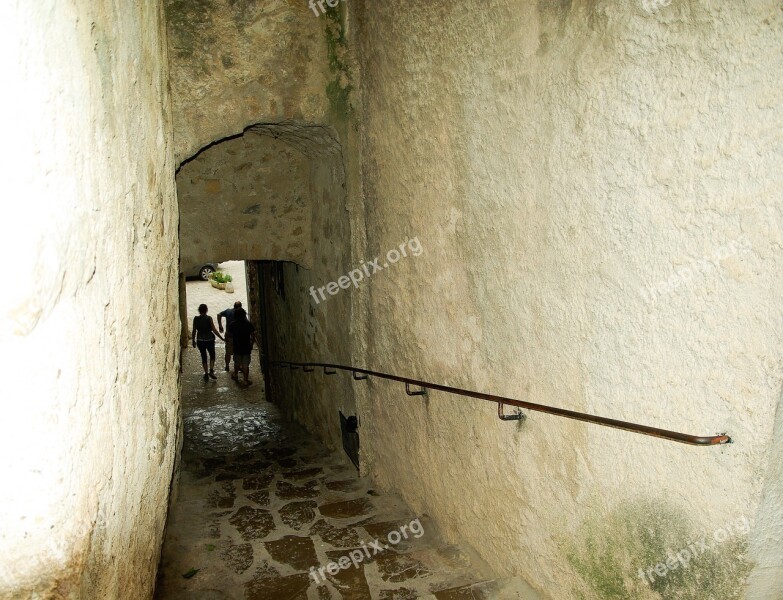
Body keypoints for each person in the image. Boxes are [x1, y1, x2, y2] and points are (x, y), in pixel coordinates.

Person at [192, 304, 224, 382]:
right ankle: (211, 370)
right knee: (212, 355)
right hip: (209, 339)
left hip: (200, 340)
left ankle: (206, 373)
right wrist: (221, 338)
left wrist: (193, 340)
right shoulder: (209, 318)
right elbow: (214, 329)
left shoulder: (195, 319)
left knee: (203, 356)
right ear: (206, 310)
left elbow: (194, 331)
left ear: (199, 310)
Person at [228, 307, 258, 386]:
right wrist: (251, 344)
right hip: (246, 346)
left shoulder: (233, 324)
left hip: (237, 346)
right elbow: (253, 335)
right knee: (245, 364)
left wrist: (231, 342)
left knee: (237, 362)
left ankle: (236, 375)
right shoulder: (248, 324)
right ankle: (245, 380)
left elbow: (229, 335)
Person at [217, 301, 242, 372]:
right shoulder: (241, 313)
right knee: (238, 353)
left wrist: (220, 325)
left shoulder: (228, 311)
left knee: (228, 352)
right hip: (238, 337)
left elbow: (219, 314)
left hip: (229, 335)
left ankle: (227, 366)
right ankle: (238, 366)